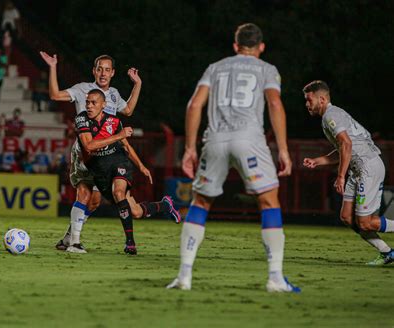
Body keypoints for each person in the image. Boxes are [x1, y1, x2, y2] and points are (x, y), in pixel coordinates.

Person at [166, 23, 300, 293]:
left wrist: (190, 147)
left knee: (200, 201)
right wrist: (283, 149)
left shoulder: (215, 67)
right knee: (268, 200)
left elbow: (194, 104)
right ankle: (275, 277)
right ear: (261, 47)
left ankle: (184, 276)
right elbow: (274, 104)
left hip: (215, 138)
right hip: (249, 138)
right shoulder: (267, 69)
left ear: (235, 45)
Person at [39, 51, 142, 252]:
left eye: (107, 70)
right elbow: (55, 95)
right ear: (93, 71)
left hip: (106, 155)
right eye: (99, 69)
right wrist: (52, 67)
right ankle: (74, 242)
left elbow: (128, 110)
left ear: (112, 73)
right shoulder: (83, 89)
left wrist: (137, 84)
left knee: (94, 202)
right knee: (84, 192)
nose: (103, 73)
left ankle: (68, 238)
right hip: (86, 150)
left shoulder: (113, 94)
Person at [75, 89, 181, 254]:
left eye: (94, 102)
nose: (89, 106)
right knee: (136, 212)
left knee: (118, 193)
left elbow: (126, 146)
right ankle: (164, 205)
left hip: (118, 161)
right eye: (87, 102)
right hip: (100, 171)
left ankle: (130, 242)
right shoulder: (82, 119)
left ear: (103, 105)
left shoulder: (114, 121)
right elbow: (89, 146)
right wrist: (118, 136)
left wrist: (141, 166)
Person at [302, 80, 394, 265]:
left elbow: (347, 144)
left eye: (309, 99)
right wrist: (318, 161)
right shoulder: (329, 116)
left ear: (322, 99)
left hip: (367, 167)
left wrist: (341, 176)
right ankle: (387, 252)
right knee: (346, 217)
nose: (307, 104)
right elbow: (344, 149)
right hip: (357, 170)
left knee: (365, 223)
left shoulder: (331, 115)